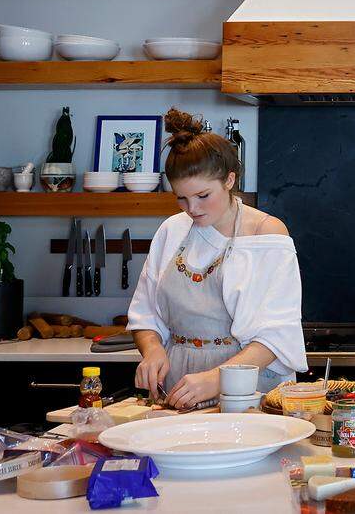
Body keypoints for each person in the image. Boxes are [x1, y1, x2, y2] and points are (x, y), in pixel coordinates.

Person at [127, 107, 306, 409]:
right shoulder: (171, 230)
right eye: (181, 198)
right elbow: (145, 314)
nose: (192, 208)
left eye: (202, 196)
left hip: (249, 389)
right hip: (180, 384)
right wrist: (153, 349)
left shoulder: (266, 232)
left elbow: (277, 335)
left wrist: (217, 379)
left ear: (229, 180)